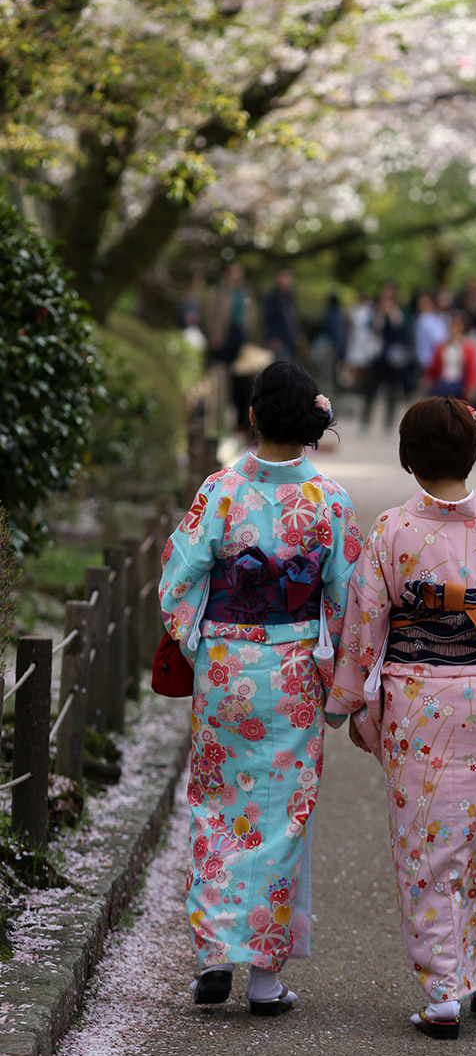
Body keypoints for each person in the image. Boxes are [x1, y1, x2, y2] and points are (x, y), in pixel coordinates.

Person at [326, 397, 476, 1039]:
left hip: (420, 700)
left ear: (407, 460)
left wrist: (348, 696)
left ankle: (444, 988)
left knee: (427, 844)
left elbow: (364, 626)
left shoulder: (390, 532)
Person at [159, 361, 361, 1014]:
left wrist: (200, 638)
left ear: (251, 417)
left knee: (219, 805)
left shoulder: (219, 492)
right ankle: (266, 978)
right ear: (312, 425)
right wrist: (337, 672)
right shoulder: (329, 502)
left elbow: (178, 580)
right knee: (281, 815)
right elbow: (349, 600)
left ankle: (216, 952)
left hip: (225, 669)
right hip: (294, 670)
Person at [362, 281, 413, 431]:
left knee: (393, 389)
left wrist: (392, 313)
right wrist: (379, 314)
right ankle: (365, 421)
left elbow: (402, 330)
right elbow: (372, 329)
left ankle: (389, 423)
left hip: (393, 355)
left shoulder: (399, 311)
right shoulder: (375, 310)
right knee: (371, 388)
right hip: (377, 354)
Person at [425, 311, 476, 401]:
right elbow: (434, 365)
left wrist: (472, 385)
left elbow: (472, 368)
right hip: (443, 383)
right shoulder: (441, 345)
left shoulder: (468, 346)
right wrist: (429, 377)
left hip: (459, 385)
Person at [263, 268, 299, 361]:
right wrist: (272, 337)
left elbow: (292, 319)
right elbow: (269, 318)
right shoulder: (272, 297)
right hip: (278, 339)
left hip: (290, 338)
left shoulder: (289, 296)